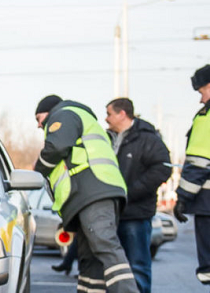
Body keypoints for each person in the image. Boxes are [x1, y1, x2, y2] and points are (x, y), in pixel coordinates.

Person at [33, 95, 138, 293]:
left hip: (93, 192)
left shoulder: (63, 114)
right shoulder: (79, 118)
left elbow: (56, 147)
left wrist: (38, 168)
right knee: (90, 258)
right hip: (93, 192)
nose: (39, 125)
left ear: (48, 111)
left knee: (104, 244)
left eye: (39, 118)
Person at [104, 97, 171, 293]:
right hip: (111, 213)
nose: (106, 119)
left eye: (109, 113)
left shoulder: (148, 139)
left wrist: (131, 192)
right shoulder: (107, 138)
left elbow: (162, 169)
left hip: (136, 213)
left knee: (137, 264)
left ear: (122, 114)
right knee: (114, 265)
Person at [174, 64, 210, 285]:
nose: (201, 99)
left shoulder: (207, 116)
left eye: (202, 92)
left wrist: (183, 198)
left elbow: (199, 163)